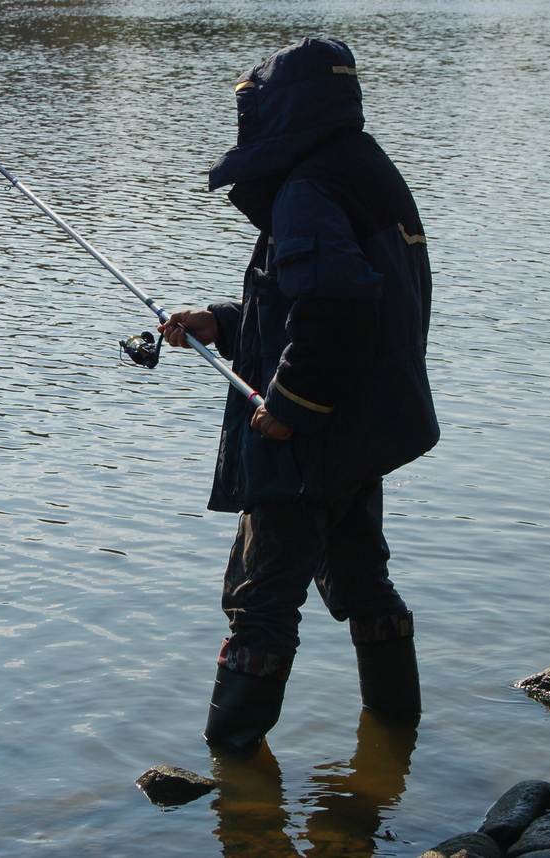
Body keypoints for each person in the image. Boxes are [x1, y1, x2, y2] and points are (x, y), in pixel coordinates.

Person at [159, 37, 439, 754]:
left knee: (259, 604)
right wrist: (222, 322)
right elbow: (321, 296)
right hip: (361, 430)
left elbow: (340, 307)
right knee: (361, 577)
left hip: (316, 437)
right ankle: (397, 728)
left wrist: (289, 407)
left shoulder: (309, 188)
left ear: (284, 107)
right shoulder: (363, 168)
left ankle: (234, 776)